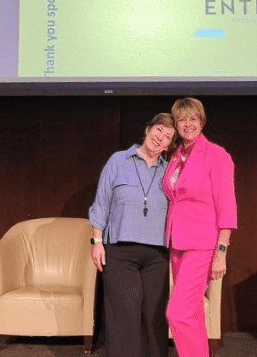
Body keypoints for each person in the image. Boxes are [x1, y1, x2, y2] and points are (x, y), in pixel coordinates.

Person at [88, 113, 177, 357]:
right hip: (120, 252)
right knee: (125, 312)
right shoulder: (118, 161)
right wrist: (96, 241)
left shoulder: (171, 172)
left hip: (157, 255)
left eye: (167, 136)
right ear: (148, 129)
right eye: (159, 130)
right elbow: (101, 203)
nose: (160, 138)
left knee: (153, 316)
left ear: (170, 145)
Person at [163, 97, 237, 357]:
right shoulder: (176, 156)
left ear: (202, 121)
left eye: (192, 118)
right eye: (181, 119)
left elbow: (227, 206)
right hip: (177, 243)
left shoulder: (216, 154)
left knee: (177, 312)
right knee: (192, 314)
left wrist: (221, 251)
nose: (187, 124)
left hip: (202, 245)